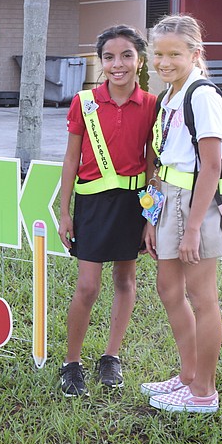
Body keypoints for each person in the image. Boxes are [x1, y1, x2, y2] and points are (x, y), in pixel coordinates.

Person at [57, 25, 157, 397]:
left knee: (125, 281)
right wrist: (64, 212)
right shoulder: (84, 102)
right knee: (87, 286)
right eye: (110, 57)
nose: (118, 64)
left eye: (126, 55)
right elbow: (70, 159)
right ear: (100, 63)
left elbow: (153, 166)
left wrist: (152, 216)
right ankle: (72, 363)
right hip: (93, 204)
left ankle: (111, 356)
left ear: (139, 60)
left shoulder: (151, 105)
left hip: (133, 206)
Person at [141, 14, 222, 414]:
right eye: (157, 54)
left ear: (195, 53)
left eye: (174, 54)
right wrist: (151, 216)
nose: (164, 62)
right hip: (168, 197)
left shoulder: (201, 95)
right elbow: (161, 161)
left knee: (202, 297)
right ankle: (188, 375)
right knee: (169, 289)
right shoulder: (169, 96)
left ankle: (203, 393)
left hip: (195, 202)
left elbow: (211, 166)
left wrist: (193, 228)